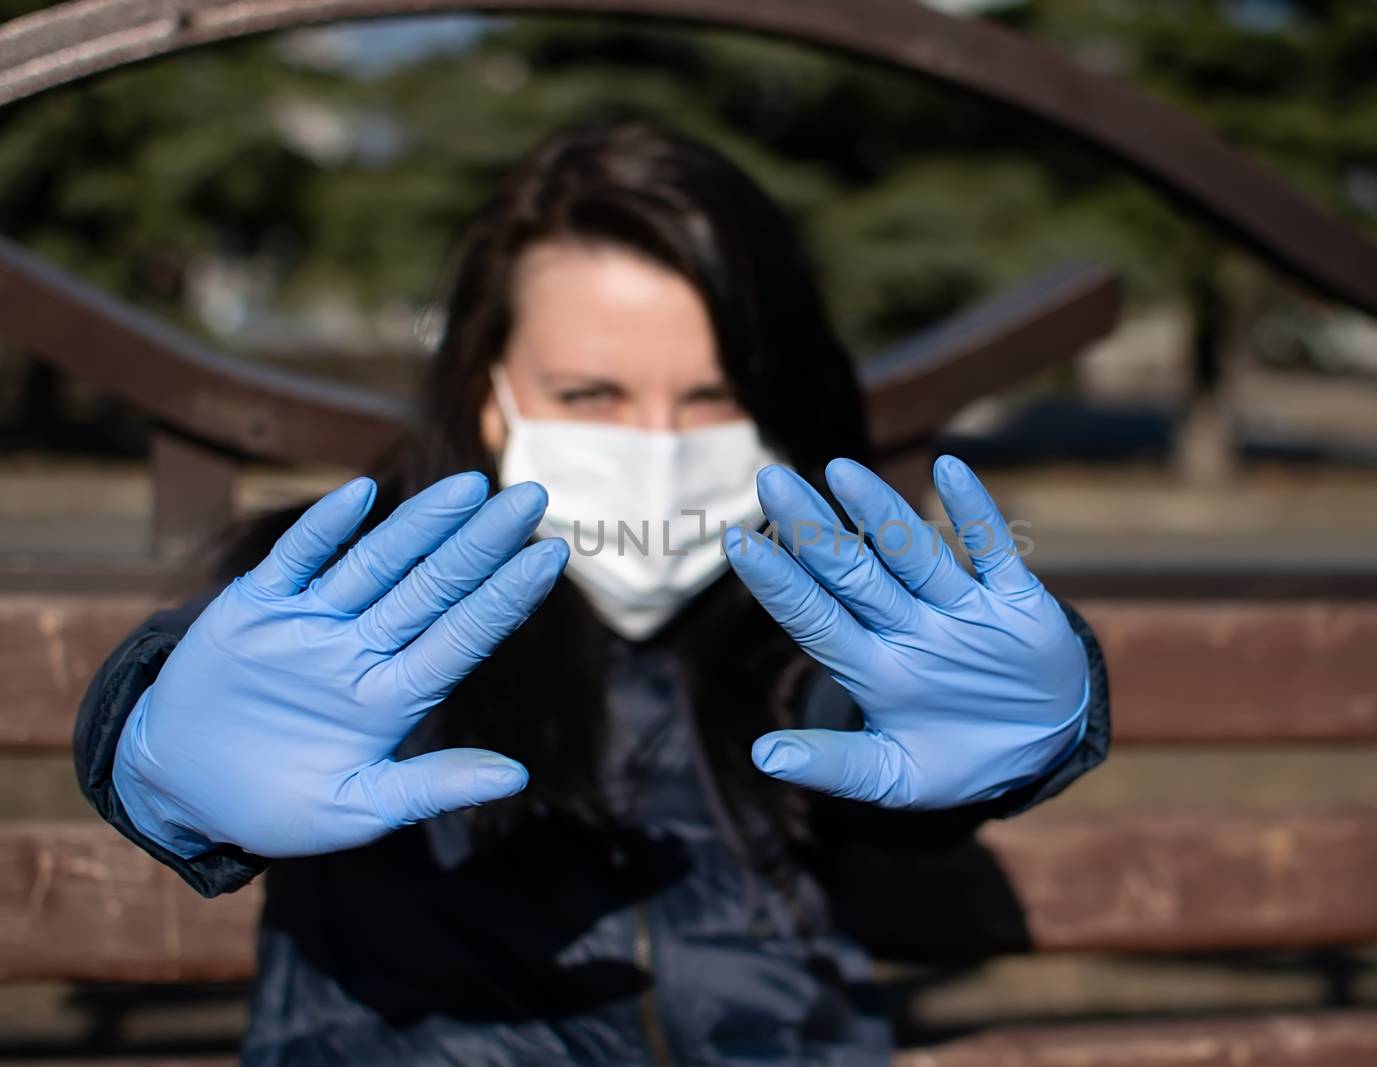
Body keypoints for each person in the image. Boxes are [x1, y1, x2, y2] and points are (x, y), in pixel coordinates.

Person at [74, 119, 1110, 1066]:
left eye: (713, 395)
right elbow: (209, 683)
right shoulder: (362, 593)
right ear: (489, 389)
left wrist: (1032, 716)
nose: (657, 446)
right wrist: (160, 759)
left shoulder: (784, 606)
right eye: (589, 394)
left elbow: (881, 743)